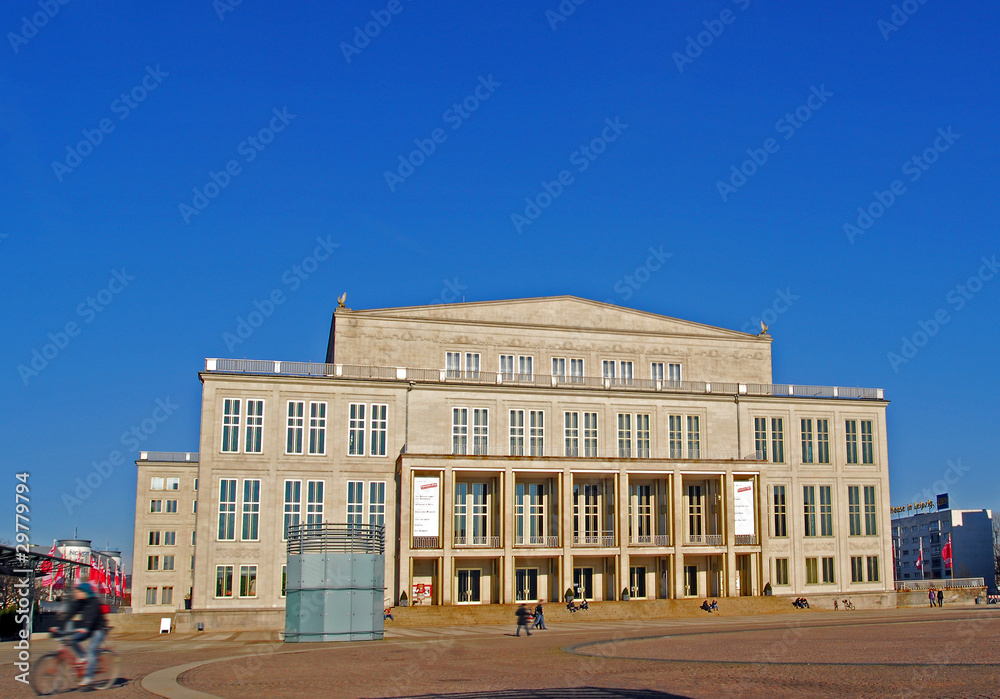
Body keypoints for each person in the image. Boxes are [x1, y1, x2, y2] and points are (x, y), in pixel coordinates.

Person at [50, 582, 108, 687]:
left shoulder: (93, 602)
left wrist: (86, 627)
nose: (76, 593)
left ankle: (88, 677)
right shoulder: (80, 602)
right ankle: (82, 657)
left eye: (78, 592)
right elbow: (69, 614)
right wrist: (58, 625)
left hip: (99, 629)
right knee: (72, 640)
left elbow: (92, 615)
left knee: (91, 650)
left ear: (84, 592)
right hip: (87, 629)